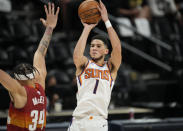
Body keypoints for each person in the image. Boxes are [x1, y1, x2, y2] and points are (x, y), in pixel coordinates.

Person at [0, 3, 59, 131]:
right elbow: (40, 53)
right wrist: (50, 28)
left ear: (17, 80)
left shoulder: (20, 92)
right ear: (33, 75)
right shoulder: (40, 85)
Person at [68, 0, 122, 131]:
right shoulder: (84, 64)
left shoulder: (110, 68)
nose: (94, 48)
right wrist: (87, 28)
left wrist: (107, 21)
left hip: (98, 122)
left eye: (98, 46)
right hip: (78, 121)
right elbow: (76, 55)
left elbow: (117, 48)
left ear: (106, 51)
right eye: (92, 46)